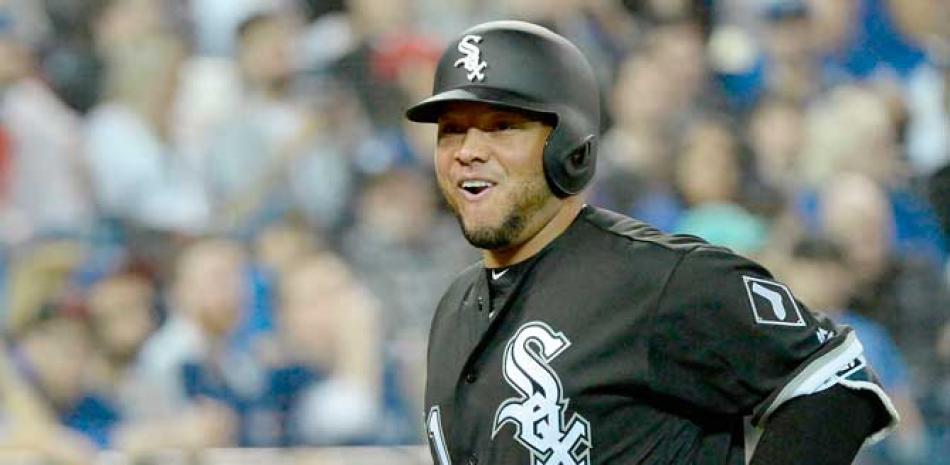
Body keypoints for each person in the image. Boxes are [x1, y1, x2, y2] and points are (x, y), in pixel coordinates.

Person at [405, 20, 897, 465]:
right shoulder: (454, 310)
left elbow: (835, 382)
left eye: (502, 127)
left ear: (570, 146)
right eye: (451, 131)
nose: (468, 151)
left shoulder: (658, 277)